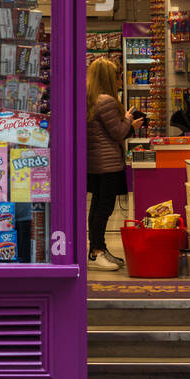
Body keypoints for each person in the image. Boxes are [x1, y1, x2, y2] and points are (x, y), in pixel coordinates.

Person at [86, 56, 143, 271]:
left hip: (94, 163)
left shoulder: (89, 99)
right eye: (117, 77)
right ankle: (97, 252)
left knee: (97, 206)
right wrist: (129, 119)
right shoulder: (107, 101)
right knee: (104, 208)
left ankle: (98, 249)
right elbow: (118, 133)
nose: (120, 80)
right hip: (108, 163)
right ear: (109, 78)